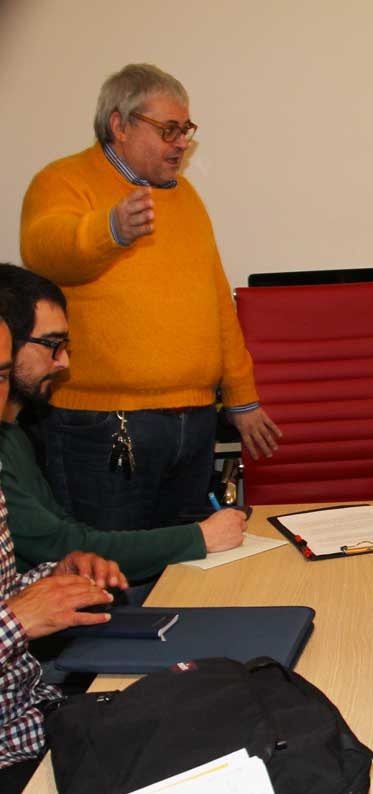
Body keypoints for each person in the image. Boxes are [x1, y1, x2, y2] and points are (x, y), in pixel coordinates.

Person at [20, 63, 280, 532]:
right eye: (168, 130)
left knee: (185, 574)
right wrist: (110, 230)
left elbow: (218, 303)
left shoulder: (187, 199)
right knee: (109, 578)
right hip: (102, 427)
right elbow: (45, 253)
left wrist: (242, 397)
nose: (181, 142)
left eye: (185, 130)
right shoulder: (63, 181)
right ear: (119, 124)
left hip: (194, 422)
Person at [0, 265, 246, 581]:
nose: (64, 363)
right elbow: (57, 544)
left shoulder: (14, 434)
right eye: (52, 344)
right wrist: (200, 538)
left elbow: (63, 534)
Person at [0, 311, 128, 794]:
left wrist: (54, 578)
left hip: (40, 721)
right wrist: (16, 620)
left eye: (6, 375)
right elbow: (12, 619)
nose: (8, 396)